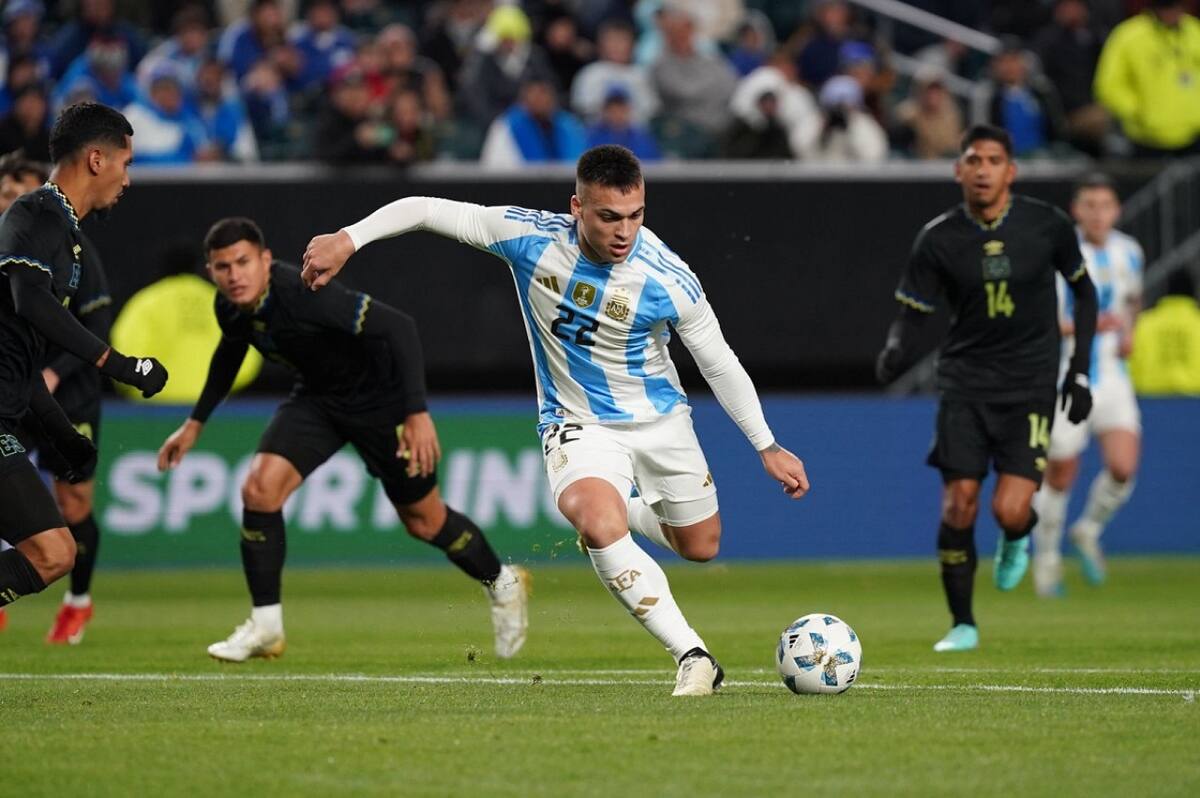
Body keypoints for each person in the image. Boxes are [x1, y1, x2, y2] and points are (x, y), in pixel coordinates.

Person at [301, 144, 810, 696]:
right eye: (609, 217)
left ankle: (625, 514)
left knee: (701, 546)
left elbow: (718, 362)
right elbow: (425, 208)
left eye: (636, 215)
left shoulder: (669, 278)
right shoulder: (530, 238)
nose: (624, 231)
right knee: (594, 519)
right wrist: (347, 238)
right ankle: (693, 655)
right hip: (575, 421)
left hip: (662, 423)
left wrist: (767, 445)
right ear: (577, 207)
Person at [156, 217, 528, 663]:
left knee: (424, 521)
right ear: (210, 271)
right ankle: (266, 626)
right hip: (318, 400)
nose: (234, 275)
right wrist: (195, 423)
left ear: (265, 260)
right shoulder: (230, 306)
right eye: (222, 267)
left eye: (242, 262)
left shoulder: (306, 295)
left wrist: (415, 412)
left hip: (381, 404)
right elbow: (231, 350)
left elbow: (400, 328)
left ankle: (503, 583)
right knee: (258, 489)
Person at [876, 125, 1098, 653]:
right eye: (973, 159)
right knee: (959, 505)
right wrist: (895, 349)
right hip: (965, 384)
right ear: (958, 170)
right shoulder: (938, 237)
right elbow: (913, 310)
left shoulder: (1047, 226)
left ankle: (1020, 531)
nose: (982, 169)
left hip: (1030, 385)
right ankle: (963, 623)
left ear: (1010, 171)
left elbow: (1085, 295)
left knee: (1008, 509)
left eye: (993, 160)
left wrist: (1081, 371)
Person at [0, 101, 167, 615]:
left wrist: (61, 435)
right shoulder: (31, 214)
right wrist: (119, 365)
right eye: (127, 162)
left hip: (7, 411)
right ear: (97, 159)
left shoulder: (66, 238)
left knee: (55, 553)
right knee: (54, 551)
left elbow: (20, 363)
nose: (128, 178)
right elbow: (31, 300)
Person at [0, 152, 114, 644]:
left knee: (71, 511)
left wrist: (53, 375)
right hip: (20, 395)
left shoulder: (72, 249)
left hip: (65, 395)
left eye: (19, 193)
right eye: (5, 193)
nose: (12, 202)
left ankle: (78, 605)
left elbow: (91, 324)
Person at [1031, 174, 1143, 597]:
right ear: (1076, 211)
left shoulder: (1129, 252)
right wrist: (1085, 326)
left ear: (1117, 210)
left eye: (1106, 205)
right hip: (1067, 376)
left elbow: (1132, 299)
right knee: (1061, 472)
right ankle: (1046, 559)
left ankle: (1088, 529)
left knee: (1123, 467)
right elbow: (1041, 320)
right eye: (1090, 205)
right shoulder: (1058, 254)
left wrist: (1130, 330)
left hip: (1113, 378)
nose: (1098, 213)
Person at [1094, 0, 1200, 158]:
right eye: (1166, 8)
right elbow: (1109, 85)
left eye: (1176, 7)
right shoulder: (1128, 35)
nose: (1171, 14)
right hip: (1146, 138)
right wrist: (1137, 112)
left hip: (1193, 135)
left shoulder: (1195, 31)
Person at [1128, 268, 1200, 395]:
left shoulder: (1144, 323)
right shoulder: (1196, 323)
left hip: (1150, 403)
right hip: (1195, 403)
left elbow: (1130, 366)